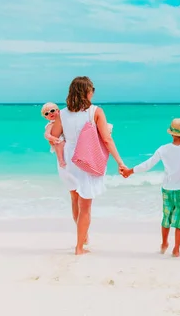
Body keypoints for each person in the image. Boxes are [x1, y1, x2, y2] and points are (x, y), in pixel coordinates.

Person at [51, 76, 125, 255]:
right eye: (92, 90)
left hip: (69, 159)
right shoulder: (96, 111)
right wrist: (120, 162)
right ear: (87, 92)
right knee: (86, 206)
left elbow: (54, 138)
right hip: (86, 158)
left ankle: (82, 238)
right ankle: (79, 247)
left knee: (75, 199)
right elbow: (107, 139)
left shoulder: (62, 113)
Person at [120, 118, 180, 257]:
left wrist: (130, 171)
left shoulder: (163, 149)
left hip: (167, 189)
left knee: (166, 218)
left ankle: (164, 243)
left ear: (171, 133)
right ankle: (176, 249)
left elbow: (148, 164)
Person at [41, 102, 66, 168]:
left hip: (66, 140)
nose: (50, 113)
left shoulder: (63, 120)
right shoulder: (51, 124)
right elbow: (46, 135)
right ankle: (61, 160)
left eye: (52, 110)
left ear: (58, 111)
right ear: (46, 117)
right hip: (57, 141)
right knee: (59, 143)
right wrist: (53, 138)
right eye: (46, 113)